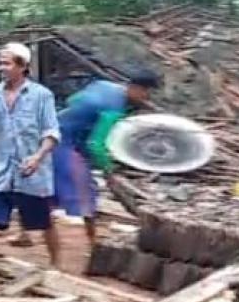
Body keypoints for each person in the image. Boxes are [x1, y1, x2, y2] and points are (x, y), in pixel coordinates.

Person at [0, 43, 61, 278]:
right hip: (0, 168)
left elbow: (51, 133)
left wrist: (38, 157)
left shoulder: (41, 96)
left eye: (7, 63)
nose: (1, 68)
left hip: (30, 170)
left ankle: (56, 264)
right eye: (0, 63)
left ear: (22, 66)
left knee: (42, 220)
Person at [53, 70, 160, 243]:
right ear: (136, 88)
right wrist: (108, 169)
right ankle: (93, 241)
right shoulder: (114, 109)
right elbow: (95, 145)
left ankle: (26, 234)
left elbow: (72, 100)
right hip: (62, 140)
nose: (147, 98)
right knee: (85, 189)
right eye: (146, 93)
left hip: (63, 129)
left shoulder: (105, 86)